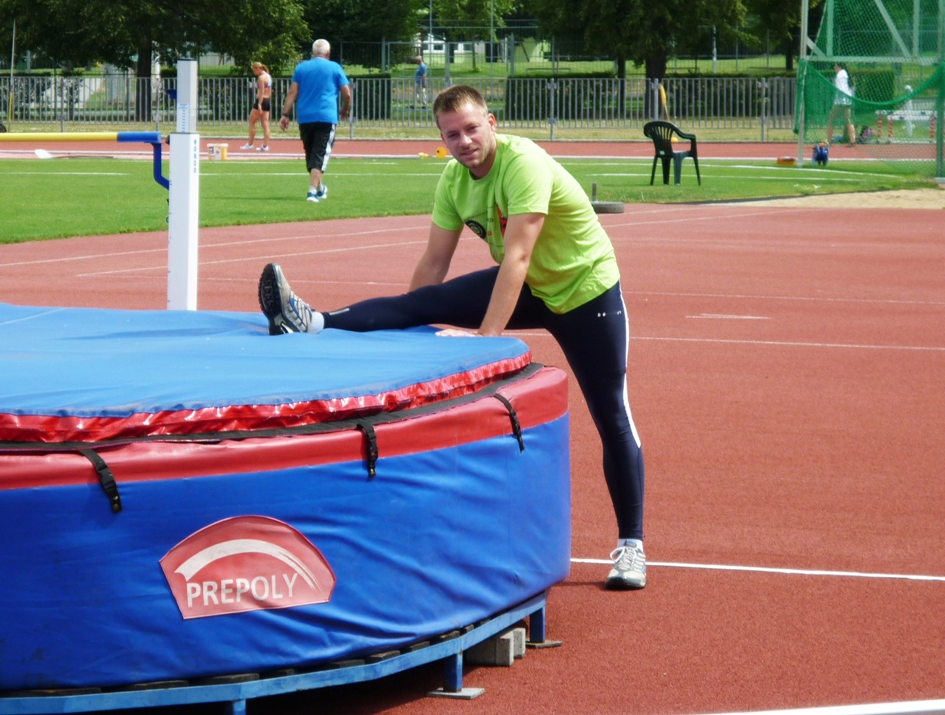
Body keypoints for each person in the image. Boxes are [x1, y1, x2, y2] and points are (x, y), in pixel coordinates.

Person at [258, 84, 647, 590]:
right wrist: (409, 324)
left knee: (611, 414)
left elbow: (518, 256)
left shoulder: (524, 163)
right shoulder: (453, 179)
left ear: (491, 122)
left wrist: (487, 340)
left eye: (470, 129)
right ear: (441, 139)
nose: (463, 141)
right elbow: (434, 264)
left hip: (584, 291)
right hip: (530, 286)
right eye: (451, 135)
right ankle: (312, 321)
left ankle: (631, 547)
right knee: (422, 301)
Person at [279, 39, 352, 203]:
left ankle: (317, 188)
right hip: (326, 116)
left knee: (311, 153)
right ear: (328, 53)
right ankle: (313, 191)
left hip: (305, 117)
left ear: (313, 53)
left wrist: (285, 114)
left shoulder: (301, 68)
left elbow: (292, 92)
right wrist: (345, 109)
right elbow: (347, 93)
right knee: (318, 154)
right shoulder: (334, 67)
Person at [243, 62, 274, 152]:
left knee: (251, 121)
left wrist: (259, 104)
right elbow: (270, 90)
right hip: (267, 101)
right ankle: (265, 146)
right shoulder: (268, 76)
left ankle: (250, 144)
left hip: (261, 100)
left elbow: (261, 92)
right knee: (265, 124)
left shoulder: (261, 78)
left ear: (257, 68)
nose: (254, 72)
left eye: (254, 70)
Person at [826, 63, 856, 146]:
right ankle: (853, 141)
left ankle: (829, 141)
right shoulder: (846, 75)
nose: (834, 67)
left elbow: (841, 89)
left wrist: (839, 98)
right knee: (848, 121)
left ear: (839, 67)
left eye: (835, 66)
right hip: (847, 102)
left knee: (831, 119)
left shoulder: (840, 75)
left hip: (840, 102)